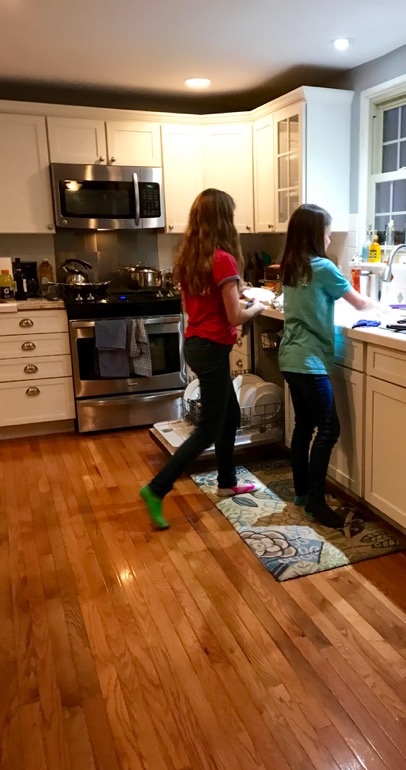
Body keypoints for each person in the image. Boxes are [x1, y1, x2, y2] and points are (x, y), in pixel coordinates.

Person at [140, 188, 265, 530]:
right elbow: (235, 316)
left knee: (230, 415)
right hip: (211, 349)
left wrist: (239, 290)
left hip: (197, 344)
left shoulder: (191, 258)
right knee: (209, 427)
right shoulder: (222, 259)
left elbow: (210, 301)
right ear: (224, 219)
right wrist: (257, 305)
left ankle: (227, 482)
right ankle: (156, 488)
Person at [278, 203, 392, 528]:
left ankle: (302, 493)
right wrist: (385, 309)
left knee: (304, 426)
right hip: (309, 361)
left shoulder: (291, 266)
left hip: (289, 357)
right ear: (317, 235)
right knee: (329, 429)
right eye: (327, 232)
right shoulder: (323, 267)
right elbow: (358, 302)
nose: (329, 238)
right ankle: (317, 502)